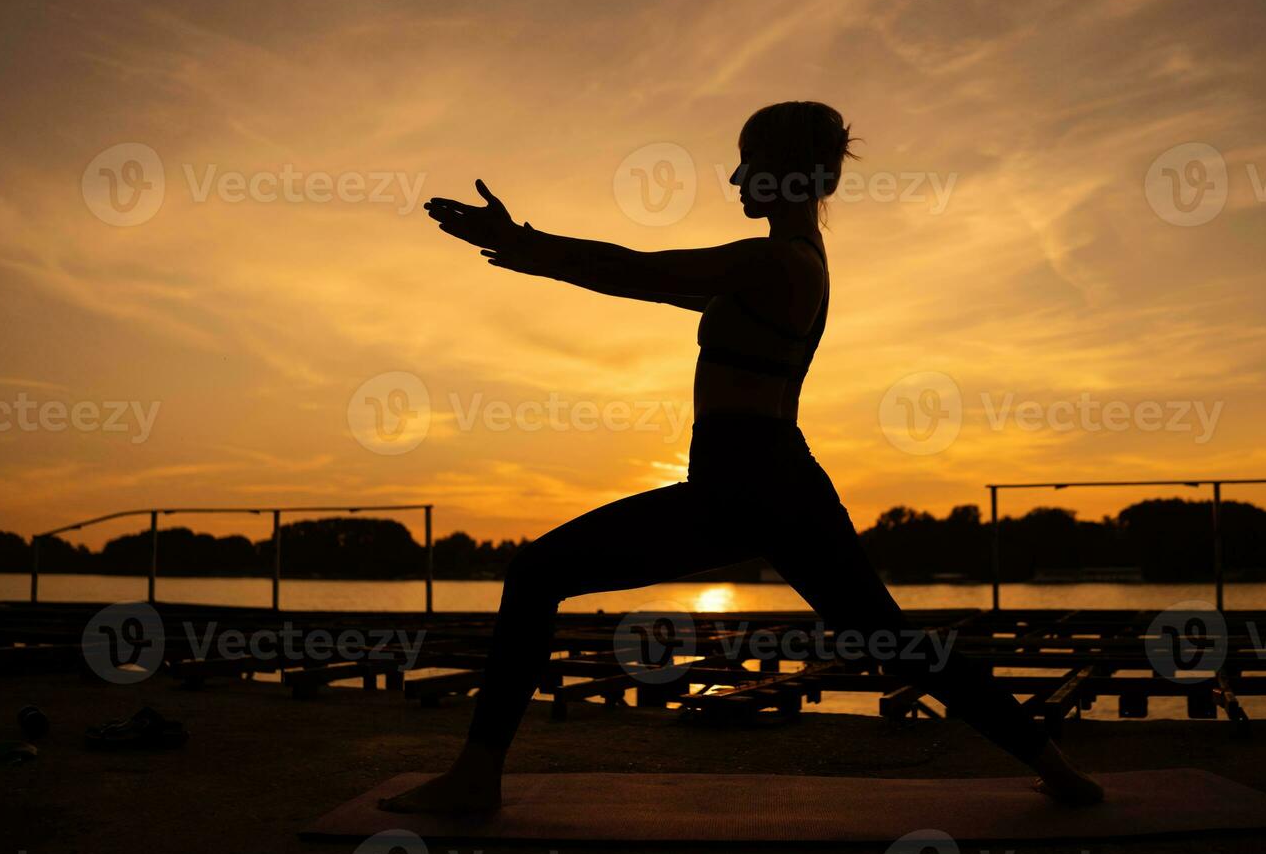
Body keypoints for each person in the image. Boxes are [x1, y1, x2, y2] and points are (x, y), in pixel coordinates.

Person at [380, 101, 1103, 815]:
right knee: (897, 642)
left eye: (748, 162)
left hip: (746, 482)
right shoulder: (782, 264)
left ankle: (476, 777)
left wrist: (526, 243)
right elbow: (643, 281)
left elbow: (640, 270)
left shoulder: (776, 262)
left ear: (786, 173)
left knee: (536, 572)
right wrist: (535, 256)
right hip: (771, 483)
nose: (733, 179)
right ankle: (1061, 772)